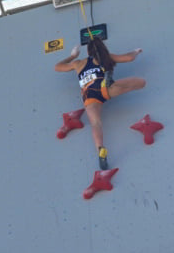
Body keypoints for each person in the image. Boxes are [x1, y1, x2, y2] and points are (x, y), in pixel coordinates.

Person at [54, 34, 145, 167]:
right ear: (103, 48)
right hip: (104, 89)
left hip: (88, 95)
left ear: (88, 51)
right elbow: (129, 58)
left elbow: (57, 67)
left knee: (96, 123)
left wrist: (73, 55)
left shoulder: (78, 63)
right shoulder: (105, 57)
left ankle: (100, 149)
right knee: (141, 82)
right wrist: (136, 51)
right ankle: (108, 80)